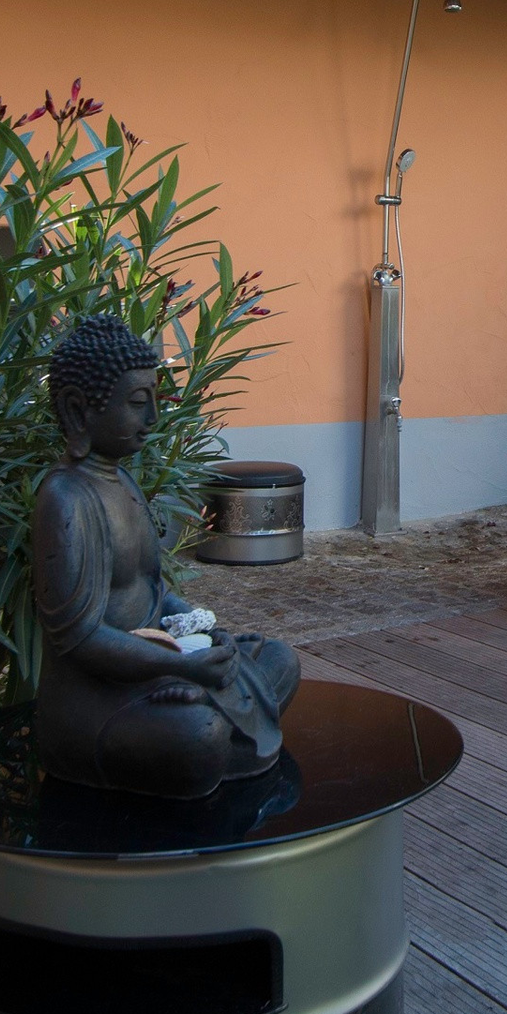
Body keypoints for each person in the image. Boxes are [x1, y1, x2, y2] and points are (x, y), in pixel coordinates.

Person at [32, 315, 299, 798]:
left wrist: (202, 630)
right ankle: (199, 721)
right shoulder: (66, 499)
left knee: (280, 660)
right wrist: (180, 668)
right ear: (78, 410)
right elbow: (80, 639)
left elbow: (151, 588)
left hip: (158, 664)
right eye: (138, 403)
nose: (153, 418)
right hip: (96, 695)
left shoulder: (122, 481)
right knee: (199, 736)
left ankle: (200, 706)